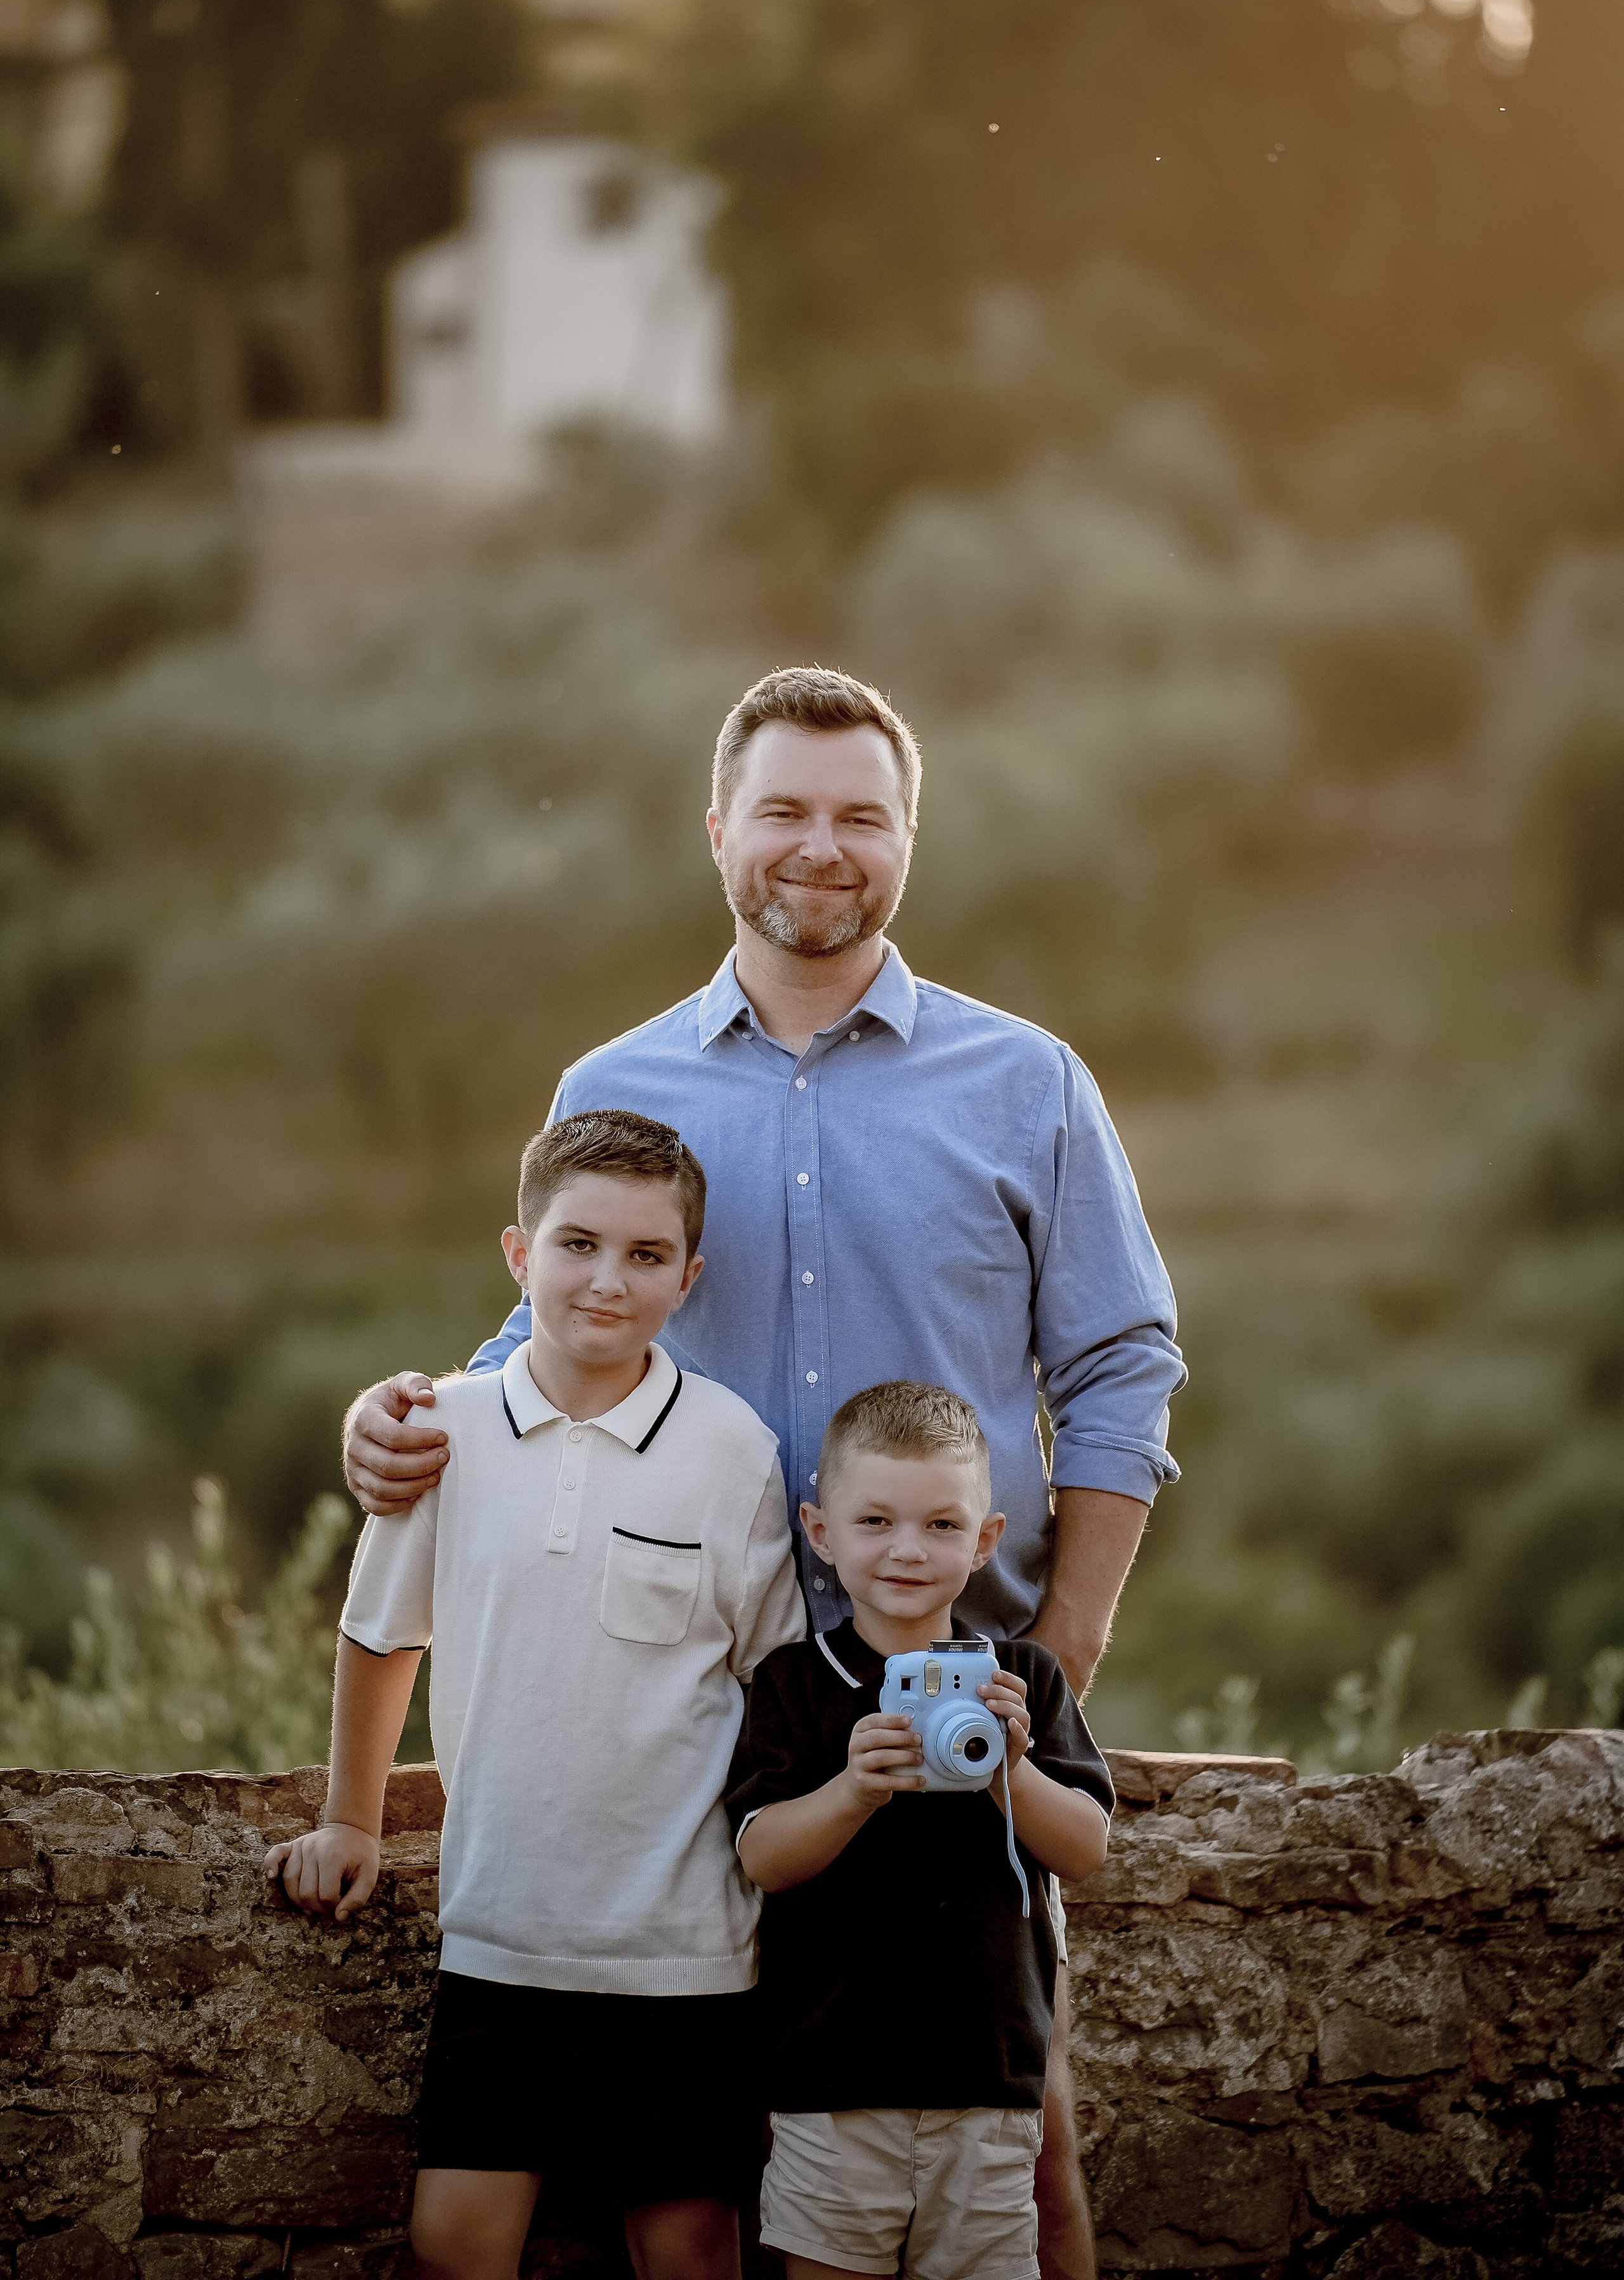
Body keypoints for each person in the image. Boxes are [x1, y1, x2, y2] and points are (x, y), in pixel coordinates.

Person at [342, 665, 1185, 2280]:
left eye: (861, 815)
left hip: (937, 1714)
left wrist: (1061, 1650)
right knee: (720, 2188)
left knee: (1026, 2161)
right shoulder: (615, 1086)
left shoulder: (1027, 1083)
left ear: (908, 839)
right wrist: (404, 1425)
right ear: (717, 828)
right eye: (783, 809)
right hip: (685, 1739)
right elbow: (546, 1349)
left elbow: (1119, 1367)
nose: (820, 845)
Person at [268, 1110, 805, 2280]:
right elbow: (380, 1632)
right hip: (501, 1935)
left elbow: (773, 1680)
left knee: (688, 2244)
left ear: (688, 1278)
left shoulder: (732, 1448)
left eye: (646, 1255)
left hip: (686, 1948)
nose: (608, 1280)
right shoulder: (443, 1428)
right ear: (520, 1255)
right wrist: (353, 1820)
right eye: (578, 1245)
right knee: (453, 2243)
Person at [730, 1380, 1112, 2280]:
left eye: (943, 1525)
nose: (907, 1549)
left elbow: (1086, 1850)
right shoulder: (793, 1682)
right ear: (820, 1532)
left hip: (989, 2078)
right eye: (875, 1522)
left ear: (986, 1540)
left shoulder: (1023, 1678)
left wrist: (1009, 1770)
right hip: (829, 2079)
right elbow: (762, 1858)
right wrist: (853, 1791)